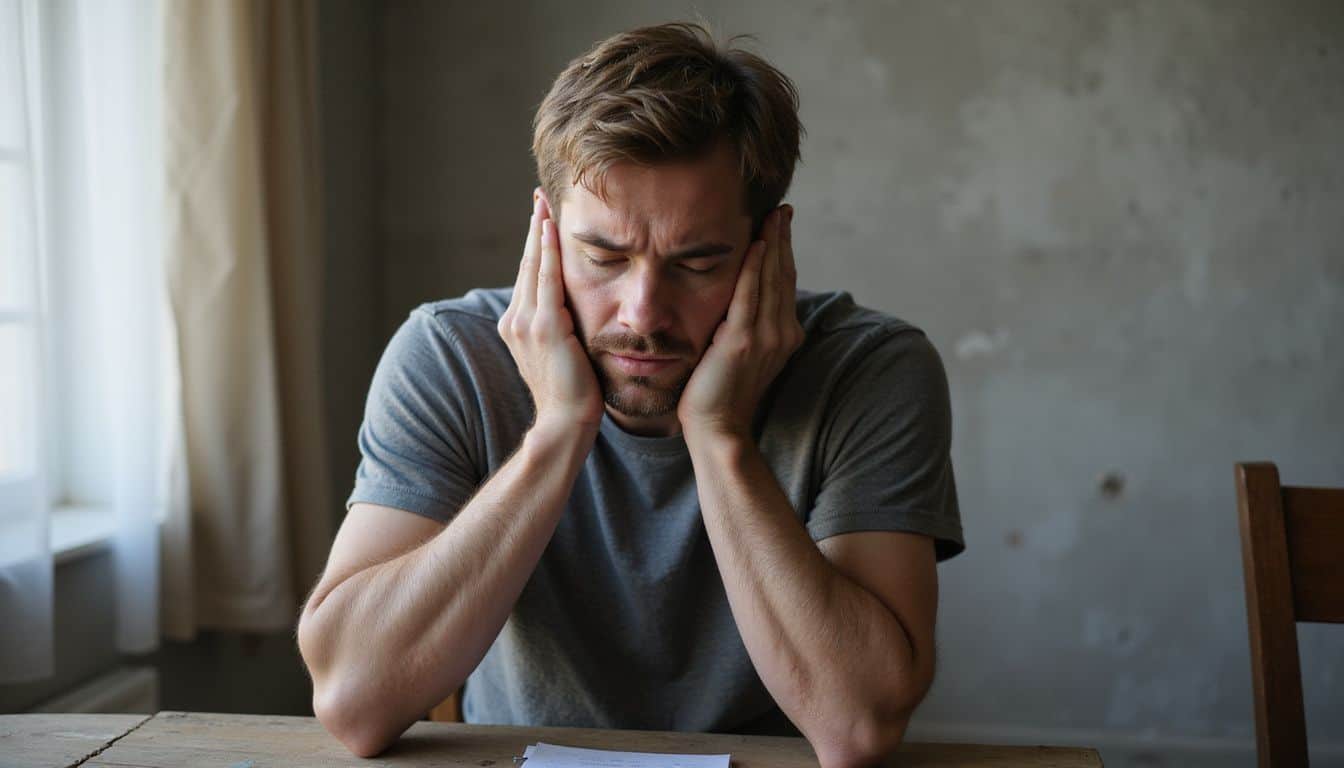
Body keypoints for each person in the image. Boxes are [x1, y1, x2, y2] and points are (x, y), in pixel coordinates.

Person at [297, 22, 963, 768]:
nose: (642, 314)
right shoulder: (452, 357)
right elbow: (355, 703)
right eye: (604, 256)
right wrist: (558, 430)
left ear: (767, 247)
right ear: (544, 232)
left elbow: (859, 728)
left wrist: (719, 435)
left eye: (700, 262)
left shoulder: (870, 371)